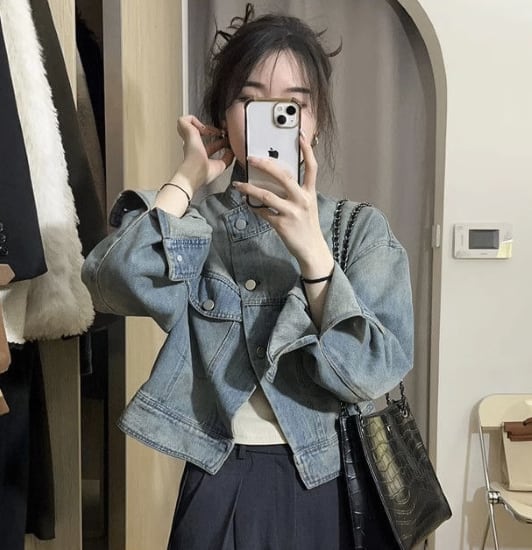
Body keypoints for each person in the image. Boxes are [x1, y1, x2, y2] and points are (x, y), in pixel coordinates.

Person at [82, 4, 414, 549]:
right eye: (250, 99)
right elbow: (110, 285)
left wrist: (314, 256)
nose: (270, 116)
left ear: (315, 121)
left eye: (292, 104)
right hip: (220, 476)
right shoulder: (194, 226)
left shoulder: (358, 230)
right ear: (223, 114)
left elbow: (371, 371)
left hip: (325, 479)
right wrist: (186, 177)